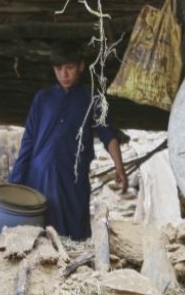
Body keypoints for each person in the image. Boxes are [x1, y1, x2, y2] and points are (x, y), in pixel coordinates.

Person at [8, 42, 127, 241]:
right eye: (58, 68)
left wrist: (119, 166)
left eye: (69, 68)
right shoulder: (42, 99)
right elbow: (28, 141)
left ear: (81, 66)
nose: (64, 74)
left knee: (75, 235)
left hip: (73, 178)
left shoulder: (91, 99)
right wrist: (15, 182)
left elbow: (107, 134)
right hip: (39, 177)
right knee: (40, 236)